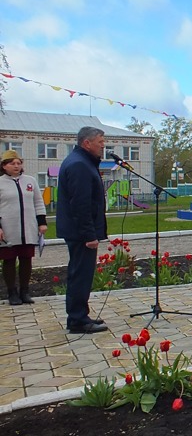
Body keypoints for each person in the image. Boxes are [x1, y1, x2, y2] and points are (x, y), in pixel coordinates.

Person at [57, 127, 109, 333]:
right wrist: (89, 234)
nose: (103, 146)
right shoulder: (79, 165)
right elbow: (80, 204)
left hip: (78, 230)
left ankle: (80, 314)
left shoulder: (82, 162)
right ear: (87, 143)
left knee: (81, 273)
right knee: (80, 274)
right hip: (80, 233)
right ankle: (78, 320)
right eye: (100, 142)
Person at [0, 151, 47, 305]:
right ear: (4, 166)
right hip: (8, 228)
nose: (16, 166)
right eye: (12, 163)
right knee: (9, 260)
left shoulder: (30, 181)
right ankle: (12, 292)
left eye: (18, 163)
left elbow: (38, 202)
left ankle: (25, 291)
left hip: (28, 227)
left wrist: (42, 222)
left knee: (26, 259)